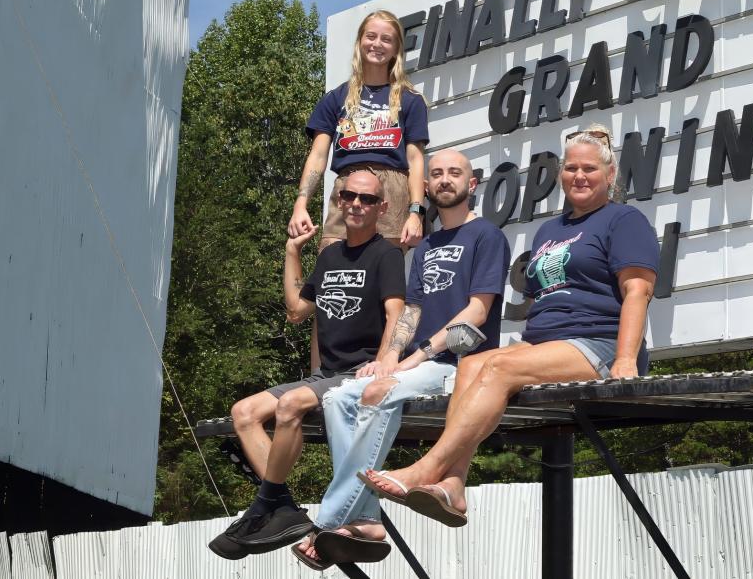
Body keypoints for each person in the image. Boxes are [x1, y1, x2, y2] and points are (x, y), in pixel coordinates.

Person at [358, 124, 659, 527]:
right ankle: (453, 486)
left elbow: (638, 291)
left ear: (610, 175)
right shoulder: (552, 230)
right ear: (560, 175)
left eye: (589, 168)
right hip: (546, 343)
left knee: (498, 367)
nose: (579, 176)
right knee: (471, 364)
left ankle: (425, 468)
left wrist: (625, 360)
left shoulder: (624, 219)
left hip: (598, 341)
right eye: (571, 168)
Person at [292, 149, 510, 569]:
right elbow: (411, 311)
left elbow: (477, 313)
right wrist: (392, 355)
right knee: (338, 398)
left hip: (461, 366)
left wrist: (415, 359)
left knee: (378, 393)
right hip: (418, 363)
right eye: (438, 174)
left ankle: (329, 522)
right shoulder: (426, 245)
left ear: (472, 184)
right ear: (426, 187)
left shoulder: (486, 236)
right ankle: (367, 518)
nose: (445, 180)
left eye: (455, 173)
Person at [208, 170, 406, 559]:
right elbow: (297, 310)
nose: (357, 204)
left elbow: (396, 312)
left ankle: (266, 506)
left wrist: (384, 362)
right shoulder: (330, 255)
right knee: (243, 412)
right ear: (339, 200)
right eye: (350, 195)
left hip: (356, 374)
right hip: (324, 375)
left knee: (290, 404)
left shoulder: (387, 255)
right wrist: (292, 252)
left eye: (367, 199)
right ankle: (280, 502)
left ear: (382, 208)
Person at [290, 10, 429, 251]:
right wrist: (301, 204)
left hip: (391, 188)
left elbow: (415, 160)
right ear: (360, 42)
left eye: (387, 39)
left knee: (383, 276)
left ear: (396, 49)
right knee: (333, 266)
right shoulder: (335, 98)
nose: (377, 44)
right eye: (371, 36)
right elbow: (318, 155)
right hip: (347, 186)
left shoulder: (410, 99)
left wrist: (416, 212)